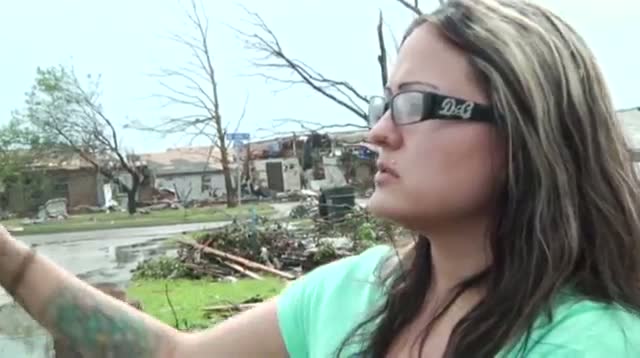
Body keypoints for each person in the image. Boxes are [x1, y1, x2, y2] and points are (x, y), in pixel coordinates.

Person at [2, 0, 640, 357]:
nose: (379, 133)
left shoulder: (585, 343)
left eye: (414, 103)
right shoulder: (352, 294)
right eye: (382, 104)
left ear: (523, 133)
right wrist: (12, 260)